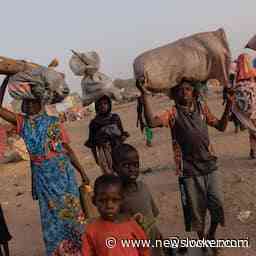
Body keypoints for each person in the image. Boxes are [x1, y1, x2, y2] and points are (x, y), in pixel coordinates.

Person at [136, 78, 233, 254]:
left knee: (217, 204)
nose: (184, 92)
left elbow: (221, 126)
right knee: (196, 212)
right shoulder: (172, 112)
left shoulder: (202, 108)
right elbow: (151, 122)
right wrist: (143, 95)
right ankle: (204, 240)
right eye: (180, 90)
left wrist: (229, 105)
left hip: (210, 165)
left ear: (194, 91)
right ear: (174, 94)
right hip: (188, 170)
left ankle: (211, 235)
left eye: (188, 89)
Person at [0, 81, 90, 255]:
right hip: (43, 178)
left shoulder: (54, 122)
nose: (28, 105)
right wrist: (5, 81)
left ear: (40, 103)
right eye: (25, 102)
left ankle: (81, 250)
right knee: (50, 218)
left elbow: (68, 150)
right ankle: (58, 251)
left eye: (32, 101)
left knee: (72, 213)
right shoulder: (22, 122)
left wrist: (83, 174)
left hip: (63, 175)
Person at [112, 143, 166, 256]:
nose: (132, 169)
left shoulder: (143, 188)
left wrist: (158, 233)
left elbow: (152, 216)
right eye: (126, 165)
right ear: (115, 168)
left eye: (135, 165)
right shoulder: (116, 198)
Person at [82, 174, 150, 256]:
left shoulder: (131, 224)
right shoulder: (91, 230)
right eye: (102, 200)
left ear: (122, 200)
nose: (109, 206)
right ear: (94, 201)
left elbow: (144, 248)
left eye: (115, 200)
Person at [85, 95, 129, 174]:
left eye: (105, 103)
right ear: (97, 107)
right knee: (110, 175)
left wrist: (123, 137)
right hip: (104, 153)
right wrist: (96, 159)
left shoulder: (115, 118)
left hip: (118, 149)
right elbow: (92, 143)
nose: (103, 106)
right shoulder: (94, 123)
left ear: (109, 105)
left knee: (123, 171)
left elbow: (121, 133)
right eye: (100, 104)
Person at [232, 54, 256, 159]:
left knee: (252, 131)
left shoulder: (237, 77)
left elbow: (233, 93)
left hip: (245, 111)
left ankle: (253, 150)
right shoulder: (253, 73)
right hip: (255, 108)